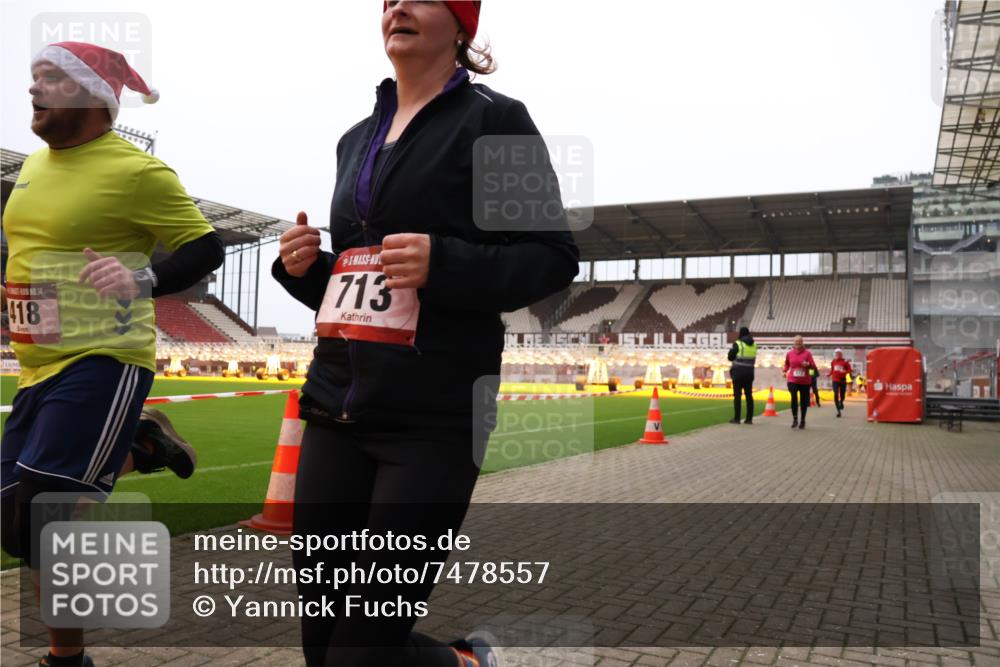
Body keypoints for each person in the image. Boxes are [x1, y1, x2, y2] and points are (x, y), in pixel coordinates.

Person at [272, 2, 579, 665]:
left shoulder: (495, 122)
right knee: (322, 646)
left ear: (461, 23)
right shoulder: (355, 139)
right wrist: (307, 268)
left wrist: (446, 262)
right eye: (387, 0)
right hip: (333, 409)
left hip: (433, 422)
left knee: (359, 654)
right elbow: (365, 282)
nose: (398, 8)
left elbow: (552, 256)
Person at [1, 42, 224, 667]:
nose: (33, 89)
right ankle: (142, 447)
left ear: (90, 93)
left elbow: (204, 247)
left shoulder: (137, 172)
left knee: (48, 516)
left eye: (48, 78)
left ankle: (65, 661)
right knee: (18, 525)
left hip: (105, 358)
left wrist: (141, 278)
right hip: (37, 365)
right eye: (33, 77)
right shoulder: (34, 168)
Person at [782, 335, 817, 430]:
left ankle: (802, 420)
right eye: (796, 341)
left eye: (800, 341)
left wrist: (808, 365)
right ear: (793, 342)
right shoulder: (789, 353)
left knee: (803, 401)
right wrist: (784, 370)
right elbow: (787, 364)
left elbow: (813, 366)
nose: (798, 343)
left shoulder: (807, 354)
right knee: (793, 398)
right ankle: (795, 419)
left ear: (802, 343)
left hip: (805, 381)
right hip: (792, 379)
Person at [727, 325, 756, 424]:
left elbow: (730, 357)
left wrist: (731, 351)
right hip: (749, 373)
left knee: (737, 396)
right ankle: (749, 419)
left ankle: (737, 418)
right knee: (749, 396)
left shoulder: (738, 344)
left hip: (738, 373)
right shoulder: (754, 344)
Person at [827, 348, 853, 417]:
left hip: (842, 380)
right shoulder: (833, 362)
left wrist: (845, 372)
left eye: (839, 353)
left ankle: (841, 402)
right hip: (835, 380)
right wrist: (829, 374)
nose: (838, 355)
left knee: (842, 395)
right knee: (835, 394)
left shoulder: (845, 362)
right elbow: (832, 370)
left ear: (841, 354)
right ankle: (838, 411)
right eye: (836, 353)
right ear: (835, 354)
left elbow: (850, 370)